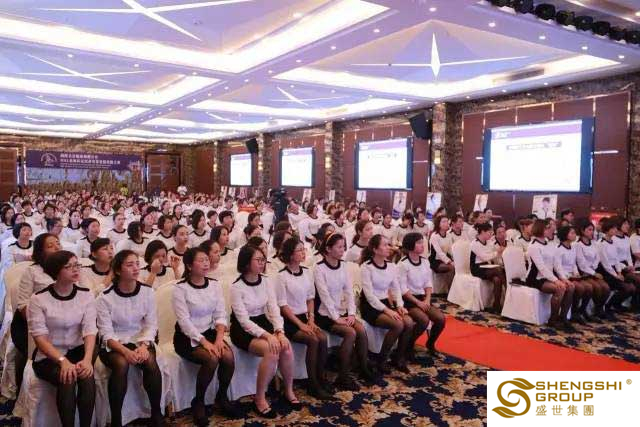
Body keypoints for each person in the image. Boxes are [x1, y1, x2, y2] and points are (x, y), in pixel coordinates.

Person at [28, 251, 97, 427]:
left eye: (77, 265)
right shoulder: (38, 299)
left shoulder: (86, 295)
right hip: (49, 355)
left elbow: (90, 330)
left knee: (87, 377)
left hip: (78, 350)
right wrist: (62, 361)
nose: (75, 269)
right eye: (69, 266)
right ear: (56, 271)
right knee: (67, 378)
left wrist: (87, 359)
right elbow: (40, 338)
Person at [96, 250, 165, 427]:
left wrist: (143, 345)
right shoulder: (105, 297)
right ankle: (116, 419)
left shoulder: (147, 292)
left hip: (140, 339)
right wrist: (126, 352)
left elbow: (151, 324)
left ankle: (156, 413)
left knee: (149, 361)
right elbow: (106, 333)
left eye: (137, 264)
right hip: (115, 343)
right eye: (129, 265)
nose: (136, 268)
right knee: (121, 364)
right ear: (118, 270)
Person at [230, 245, 298, 418]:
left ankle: (288, 390)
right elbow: (244, 321)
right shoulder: (236, 287)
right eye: (258, 260)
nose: (262, 263)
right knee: (271, 349)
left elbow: (274, 309)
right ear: (246, 263)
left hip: (262, 321)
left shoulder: (266, 281)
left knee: (286, 347)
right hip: (242, 329)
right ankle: (260, 398)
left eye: (263, 260)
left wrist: (279, 331)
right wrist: (268, 336)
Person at [172, 247, 237, 425]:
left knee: (228, 356)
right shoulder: (180, 288)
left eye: (206, 259)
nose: (206, 263)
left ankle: (222, 396)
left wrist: (219, 339)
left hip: (210, 332)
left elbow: (220, 314)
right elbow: (184, 322)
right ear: (189, 266)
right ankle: (198, 401)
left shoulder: (214, 285)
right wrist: (204, 342)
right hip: (187, 337)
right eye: (201, 260)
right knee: (211, 358)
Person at [314, 233, 375, 389]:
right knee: (350, 333)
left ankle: (363, 367)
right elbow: (324, 297)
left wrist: (352, 313)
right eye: (339, 247)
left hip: (341, 310)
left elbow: (349, 291)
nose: (342, 250)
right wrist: (336, 318)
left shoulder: (343, 266)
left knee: (360, 329)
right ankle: (343, 376)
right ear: (328, 249)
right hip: (324, 313)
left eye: (343, 246)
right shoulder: (319, 268)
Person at [275, 237, 331, 399]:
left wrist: (311, 319)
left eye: (303, 249)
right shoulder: (281, 276)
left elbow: (310, 298)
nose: (303, 252)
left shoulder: (306, 272)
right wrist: (301, 325)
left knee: (322, 338)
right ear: (291, 255)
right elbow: (283, 306)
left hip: (304, 317)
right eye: (299, 250)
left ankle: (320, 377)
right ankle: (312, 384)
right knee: (313, 339)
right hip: (289, 320)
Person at [359, 235, 415, 373]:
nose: (389, 248)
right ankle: (381, 359)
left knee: (409, 322)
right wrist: (387, 310)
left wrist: (399, 305)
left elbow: (396, 289)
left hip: (385, 302)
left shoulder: (391, 266)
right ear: (375, 249)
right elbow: (370, 296)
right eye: (385, 245)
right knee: (398, 324)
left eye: (389, 244)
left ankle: (398, 357)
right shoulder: (366, 267)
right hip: (370, 306)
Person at [399, 233, 446, 357]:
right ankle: (409, 344)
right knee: (423, 320)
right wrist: (418, 303)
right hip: (408, 300)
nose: (422, 245)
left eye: (422, 242)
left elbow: (428, 283)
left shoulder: (425, 262)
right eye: (419, 243)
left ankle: (430, 343)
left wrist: (427, 299)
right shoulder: (403, 264)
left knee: (440, 319)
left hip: (422, 298)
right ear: (410, 245)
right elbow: (402, 289)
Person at [525, 220, 574, 330]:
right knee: (560, 288)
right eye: (548, 228)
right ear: (541, 229)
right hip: (535, 278)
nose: (551, 229)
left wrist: (564, 278)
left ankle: (563, 317)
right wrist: (556, 281)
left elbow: (557, 265)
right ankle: (553, 319)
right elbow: (541, 268)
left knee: (570, 287)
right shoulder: (533, 246)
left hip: (548, 277)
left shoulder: (551, 245)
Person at [554, 226, 594, 324]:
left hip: (573, 276)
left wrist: (576, 273)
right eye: (572, 233)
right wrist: (567, 277)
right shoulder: (558, 249)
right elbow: (558, 267)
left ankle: (580, 311)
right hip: (563, 276)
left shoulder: (572, 248)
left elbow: (573, 264)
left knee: (589, 287)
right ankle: (571, 313)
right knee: (580, 288)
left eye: (574, 233)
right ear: (565, 235)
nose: (575, 235)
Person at [597, 218, 637, 313]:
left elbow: (616, 259)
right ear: (607, 229)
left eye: (615, 228)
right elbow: (605, 263)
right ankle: (607, 307)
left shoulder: (613, 242)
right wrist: (616, 274)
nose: (615, 230)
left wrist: (619, 272)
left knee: (631, 287)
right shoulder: (601, 243)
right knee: (628, 287)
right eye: (613, 228)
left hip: (615, 268)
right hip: (606, 271)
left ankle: (615, 305)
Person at [574, 220, 612, 320]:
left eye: (593, 230)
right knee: (597, 287)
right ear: (582, 231)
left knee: (606, 288)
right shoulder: (578, 245)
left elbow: (597, 258)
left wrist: (594, 268)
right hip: (584, 273)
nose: (592, 232)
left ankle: (598, 308)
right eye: (589, 230)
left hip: (593, 271)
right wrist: (593, 272)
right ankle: (582, 310)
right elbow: (581, 264)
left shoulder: (594, 244)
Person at [469, 223, 505, 313]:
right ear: (482, 232)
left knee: (497, 279)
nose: (491, 234)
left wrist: (498, 253)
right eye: (489, 232)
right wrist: (497, 253)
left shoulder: (489, 242)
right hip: (477, 268)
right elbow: (485, 257)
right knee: (498, 270)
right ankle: (508, 290)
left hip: (488, 266)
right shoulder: (474, 243)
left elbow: (492, 256)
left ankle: (496, 305)